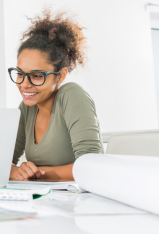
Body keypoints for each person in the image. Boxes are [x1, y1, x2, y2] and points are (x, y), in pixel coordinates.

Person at [9, 9, 103, 182]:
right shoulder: (26, 108)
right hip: (44, 200)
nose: (24, 84)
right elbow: (3, 161)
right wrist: (15, 172)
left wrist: (37, 174)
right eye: (20, 74)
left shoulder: (72, 96)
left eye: (37, 76)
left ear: (60, 75)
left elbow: (93, 165)